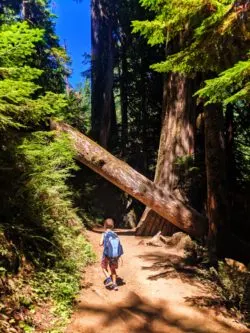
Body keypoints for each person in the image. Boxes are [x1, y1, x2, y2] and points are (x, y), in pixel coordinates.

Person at [99, 218, 123, 291]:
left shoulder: (104, 234)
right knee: (113, 270)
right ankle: (115, 284)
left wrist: (103, 243)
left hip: (106, 254)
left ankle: (109, 279)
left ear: (105, 225)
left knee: (103, 267)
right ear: (112, 226)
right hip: (115, 256)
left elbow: (100, 243)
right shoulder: (115, 234)